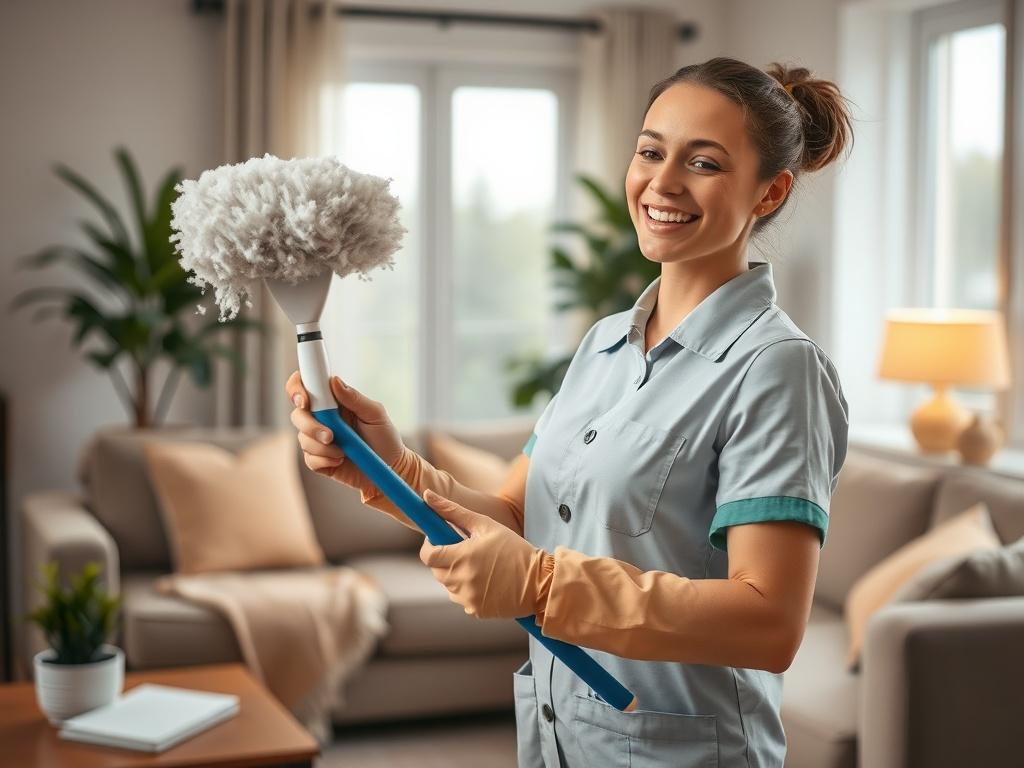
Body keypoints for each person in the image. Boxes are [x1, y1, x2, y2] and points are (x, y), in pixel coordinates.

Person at [286, 55, 854, 768]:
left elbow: (769, 623)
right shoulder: (604, 343)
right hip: (559, 743)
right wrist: (388, 465)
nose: (662, 182)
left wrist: (543, 585)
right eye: (650, 151)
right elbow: (520, 517)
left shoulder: (776, 368)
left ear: (768, 194)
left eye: (703, 162)